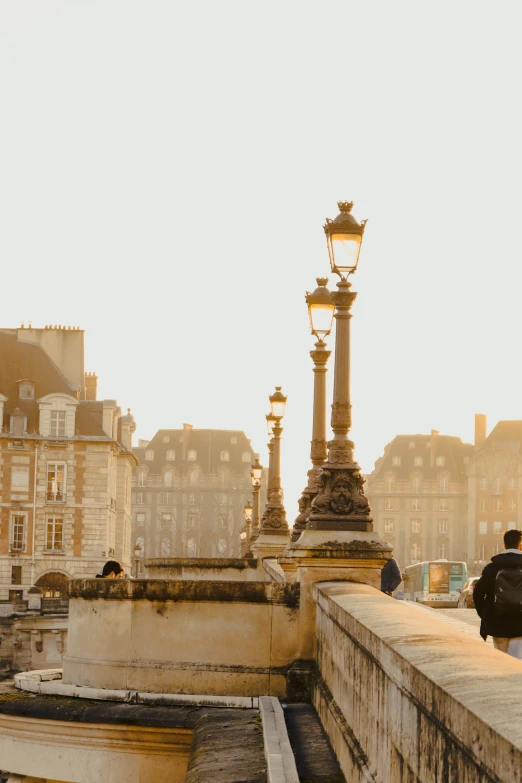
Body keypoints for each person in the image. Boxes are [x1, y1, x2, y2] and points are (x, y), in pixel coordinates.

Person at [473, 528, 522, 659]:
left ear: (504, 545)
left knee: (502, 661)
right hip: (520, 625)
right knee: (517, 662)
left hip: (497, 623)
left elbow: (477, 593)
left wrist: (485, 612)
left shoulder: (493, 567)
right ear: (520, 545)